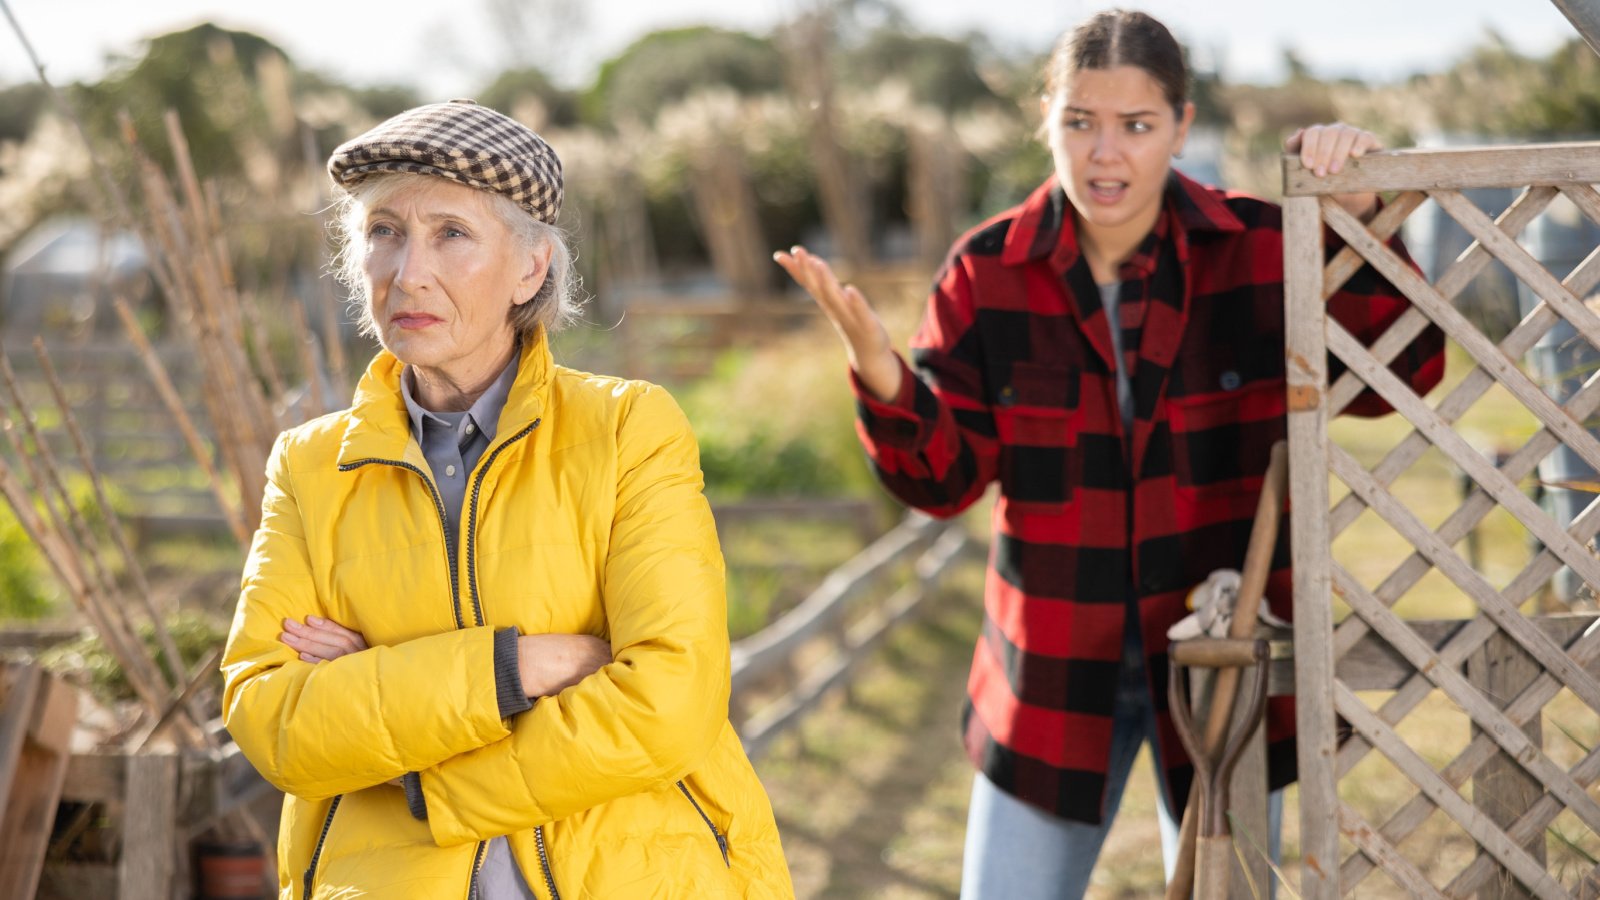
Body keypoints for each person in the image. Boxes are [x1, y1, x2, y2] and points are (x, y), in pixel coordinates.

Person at [775, 10, 1443, 897]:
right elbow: (943, 481)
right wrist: (882, 375)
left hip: (1222, 664)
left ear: (1181, 127)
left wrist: (1363, 220)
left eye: (1136, 126)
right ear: (1045, 116)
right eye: (1080, 122)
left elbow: (1405, 375)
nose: (1105, 155)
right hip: (1049, 673)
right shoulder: (987, 272)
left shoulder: (1260, 247)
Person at [221, 99, 794, 899]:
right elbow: (274, 721)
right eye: (384, 231)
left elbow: (670, 701)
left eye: (450, 234)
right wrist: (518, 667)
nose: (407, 270)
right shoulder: (310, 467)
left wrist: (415, 764)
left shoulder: (630, 428)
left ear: (531, 268)